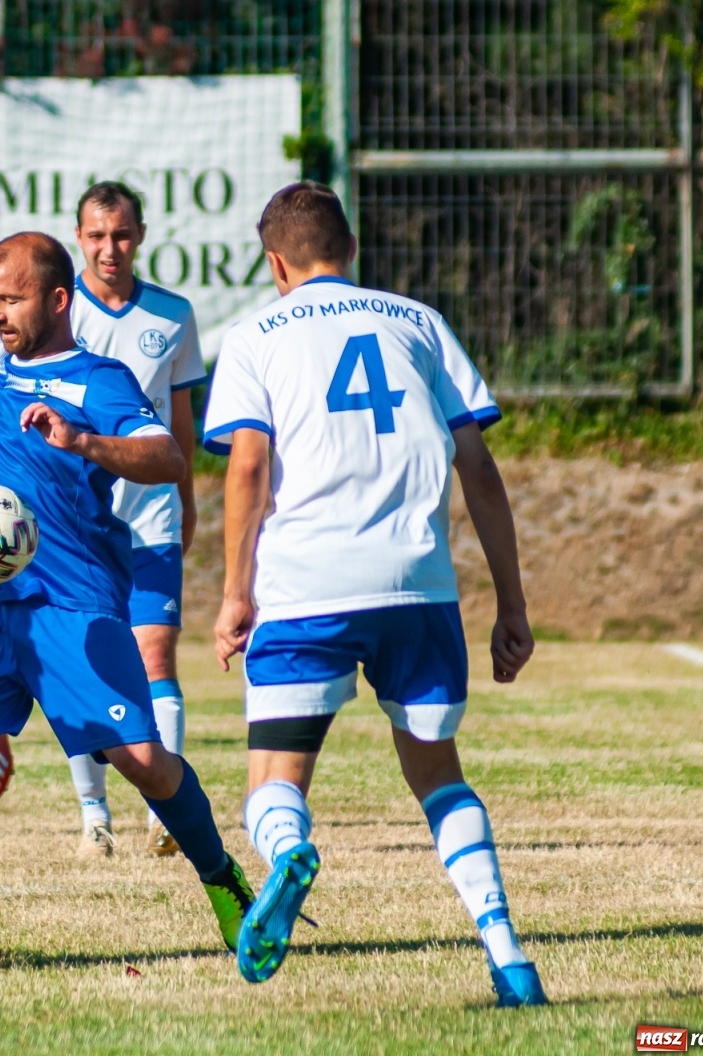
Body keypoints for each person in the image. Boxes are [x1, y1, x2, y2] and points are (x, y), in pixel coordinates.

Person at [0, 221, 257, 970]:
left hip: (75, 608)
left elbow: (166, 456)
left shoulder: (99, 381)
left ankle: (225, 882)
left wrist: (85, 442)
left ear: (58, 299)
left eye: (12, 300)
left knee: (142, 761)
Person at [205, 182, 546, 1006]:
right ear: (351, 249)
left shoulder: (255, 334)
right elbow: (481, 471)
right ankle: (508, 956)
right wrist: (512, 603)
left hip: (307, 589)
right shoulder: (418, 322)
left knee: (272, 785)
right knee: (439, 777)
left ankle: (288, 852)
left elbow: (248, 466)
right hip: (418, 587)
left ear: (275, 263)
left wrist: (234, 594)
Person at [66, 180, 206, 860]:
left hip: (151, 516)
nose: (109, 248)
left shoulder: (174, 316)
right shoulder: (62, 317)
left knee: (155, 653)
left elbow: (179, 419)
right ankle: (94, 814)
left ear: (141, 235)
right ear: (79, 240)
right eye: (96, 236)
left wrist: (187, 494)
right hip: (79, 524)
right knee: (86, 662)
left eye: (120, 235)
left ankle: (165, 810)